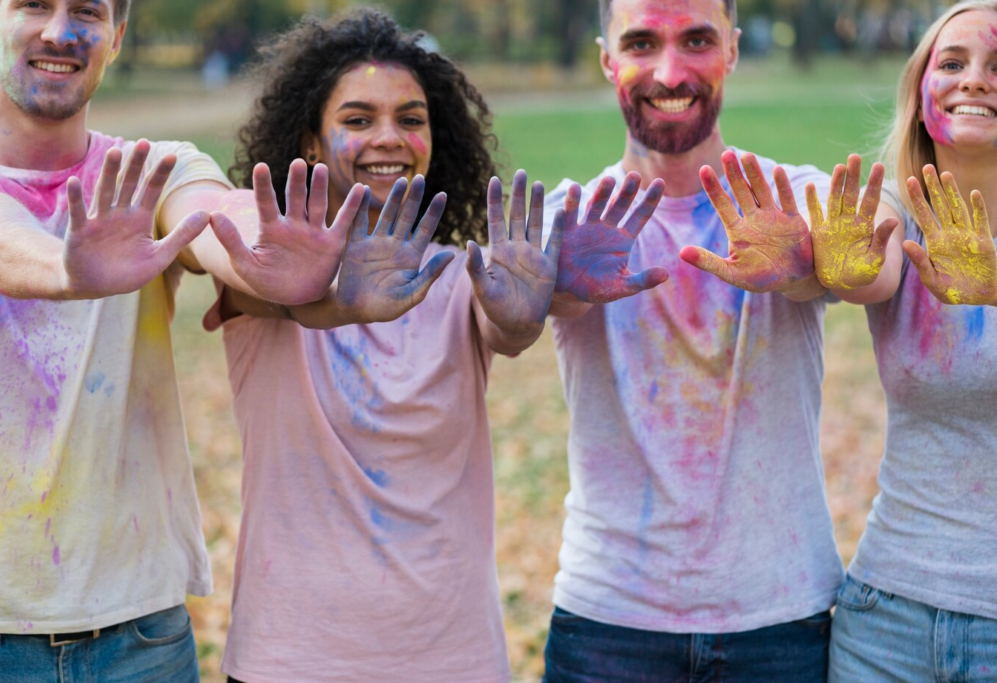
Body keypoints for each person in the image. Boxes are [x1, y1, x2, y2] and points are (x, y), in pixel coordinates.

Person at [0, 0, 359, 679]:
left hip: (140, 638)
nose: (60, 31)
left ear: (115, 38)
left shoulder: (154, 174)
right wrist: (67, 270)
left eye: (87, 13)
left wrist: (265, 257)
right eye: (34, 4)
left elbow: (213, 214)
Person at [199, 10, 584, 682]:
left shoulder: (460, 279)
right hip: (291, 661)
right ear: (311, 144)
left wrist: (525, 319)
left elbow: (509, 331)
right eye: (357, 119)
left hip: (454, 660)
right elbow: (270, 293)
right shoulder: (265, 270)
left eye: (411, 118)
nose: (389, 137)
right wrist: (341, 297)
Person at [540, 0, 843, 679]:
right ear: (606, 58)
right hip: (607, 624)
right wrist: (554, 289)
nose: (670, 72)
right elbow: (503, 322)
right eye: (642, 43)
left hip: (781, 620)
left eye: (697, 40)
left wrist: (800, 273)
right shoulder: (569, 219)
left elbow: (863, 270)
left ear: (732, 50)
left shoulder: (795, 203)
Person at [809, 2, 997, 680]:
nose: (974, 79)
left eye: (996, 66)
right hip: (884, 619)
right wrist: (842, 267)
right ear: (921, 96)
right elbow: (874, 270)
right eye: (952, 63)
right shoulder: (897, 218)